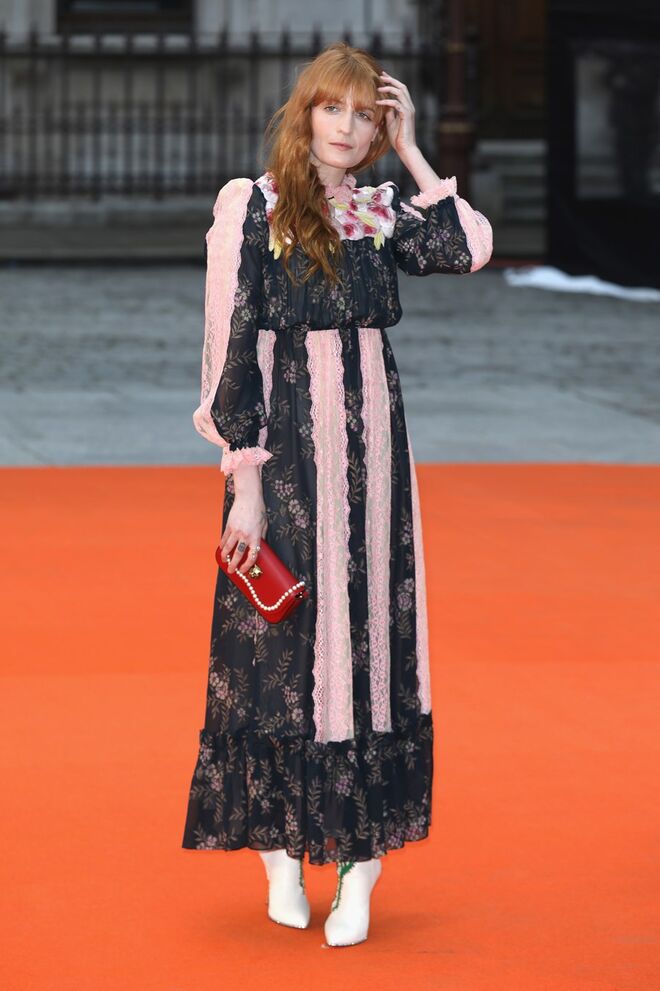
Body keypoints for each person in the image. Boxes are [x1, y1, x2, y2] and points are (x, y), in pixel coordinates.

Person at [181, 41, 493, 947]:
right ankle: (281, 855)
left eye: (366, 116)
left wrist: (416, 151)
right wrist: (243, 483)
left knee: (370, 644)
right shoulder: (254, 207)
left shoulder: (380, 209)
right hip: (282, 455)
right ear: (304, 112)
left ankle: (361, 865)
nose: (348, 129)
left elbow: (468, 247)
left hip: (375, 458)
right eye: (334, 109)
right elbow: (232, 350)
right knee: (277, 649)